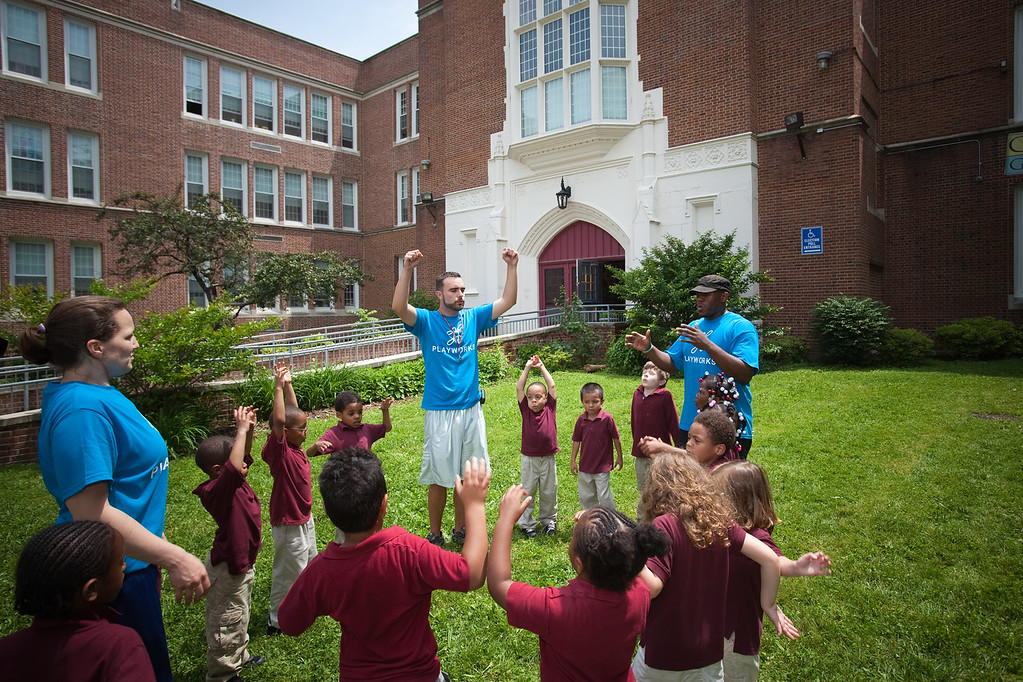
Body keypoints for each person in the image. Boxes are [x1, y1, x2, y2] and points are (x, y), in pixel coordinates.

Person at [20, 296, 208, 681]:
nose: (136, 343)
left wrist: (153, 542)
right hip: (108, 575)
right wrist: (174, 557)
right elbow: (90, 513)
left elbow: (126, 481)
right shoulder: (81, 410)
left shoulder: (101, 394)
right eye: (128, 336)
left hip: (132, 561)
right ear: (95, 347)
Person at [277, 450, 491, 682]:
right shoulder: (408, 551)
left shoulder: (322, 571)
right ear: (384, 504)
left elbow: (289, 622)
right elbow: (472, 574)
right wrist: (475, 505)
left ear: (327, 511)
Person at [391, 247, 519, 547]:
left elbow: (508, 301)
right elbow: (399, 307)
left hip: (471, 409)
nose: (461, 295)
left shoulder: (473, 317)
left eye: (462, 290)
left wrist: (512, 267)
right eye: (453, 290)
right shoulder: (426, 321)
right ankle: (435, 534)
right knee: (439, 477)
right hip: (440, 411)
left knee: (468, 475)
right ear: (439, 294)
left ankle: (460, 529)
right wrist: (407, 269)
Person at [633, 454, 798, 681]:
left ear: (655, 490)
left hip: (664, 653)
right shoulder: (719, 520)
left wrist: (631, 554)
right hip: (709, 655)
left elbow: (653, 587)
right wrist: (768, 604)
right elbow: (770, 559)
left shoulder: (664, 524)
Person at [488, 486, 671, 681]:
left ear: (578, 564)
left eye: (573, 536)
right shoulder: (640, 593)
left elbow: (499, 584)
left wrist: (505, 520)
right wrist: (596, 526)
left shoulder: (555, 609)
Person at [711, 461, 831, 681]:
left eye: (717, 495)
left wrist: (795, 567)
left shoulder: (756, 536)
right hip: (716, 621)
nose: (710, 500)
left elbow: (774, 561)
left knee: (735, 673)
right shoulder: (722, 529)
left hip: (736, 630)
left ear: (739, 502)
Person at [0, 520, 156, 682]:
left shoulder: (6, 648)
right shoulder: (120, 645)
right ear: (91, 589)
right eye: (120, 562)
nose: (124, 566)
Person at [624, 275, 759, 457]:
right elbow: (672, 364)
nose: (699, 299)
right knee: (689, 474)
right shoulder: (694, 327)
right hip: (692, 424)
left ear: (724, 296)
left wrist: (707, 345)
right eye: (697, 295)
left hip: (727, 426)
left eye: (706, 294)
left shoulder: (740, 327)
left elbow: (744, 374)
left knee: (722, 475)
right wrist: (649, 349)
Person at [193, 406, 265, 682]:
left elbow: (239, 458)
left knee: (240, 613)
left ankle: (239, 656)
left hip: (241, 564)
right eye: (237, 459)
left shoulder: (232, 480)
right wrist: (240, 430)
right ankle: (223, 674)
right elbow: (235, 466)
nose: (245, 461)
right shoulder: (216, 491)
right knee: (226, 620)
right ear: (217, 470)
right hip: (227, 570)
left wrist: (249, 431)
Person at [262, 362, 316, 636]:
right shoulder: (280, 451)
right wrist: (278, 387)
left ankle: (304, 606)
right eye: (302, 428)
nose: (306, 431)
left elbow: (293, 413)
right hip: (288, 522)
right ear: (284, 432)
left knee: (307, 562)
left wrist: (290, 384)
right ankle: (276, 621)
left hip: (304, 517)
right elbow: (281, 421)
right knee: (288, 572)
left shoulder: (295, 446)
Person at [515, 355, 559, 538]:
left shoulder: (550, 408)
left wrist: (541, 367)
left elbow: (552, 386)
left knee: (549, 490)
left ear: (546, 399)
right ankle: (526, 523)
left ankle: (549, 521)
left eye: (538, 397)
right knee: (528, 490)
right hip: (530, 459)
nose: (533, 400)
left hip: (548, 457)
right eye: (530, 397)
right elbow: (519, 387)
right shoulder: (525, 410)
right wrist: (527, 367)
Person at [630, 361, 681, 519]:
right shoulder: (637, 393)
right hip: (641, 452)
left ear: (661, 381)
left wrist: (678, 447)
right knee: (644, 488)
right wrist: (636, 442)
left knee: (661, 487)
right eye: (644, 372)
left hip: (660, 453)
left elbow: (673, 422)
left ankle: (662, 518)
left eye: (651, 373)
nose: (645, 375)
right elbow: (634, 420)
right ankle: (642, 519)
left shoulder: (665, 395)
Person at [571, 382, 624, 510]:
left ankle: (610, 517)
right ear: (582, 402)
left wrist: (619, 457)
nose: (590, 405)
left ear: (602, 401)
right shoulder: (581, 420)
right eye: (587, 402)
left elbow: (616, 438)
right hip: (585, 466)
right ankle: (590, 517)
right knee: (586, 496)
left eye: (595, 402)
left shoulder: (607, 419)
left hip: (602, 466)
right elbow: (576, 441)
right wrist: (573, 461)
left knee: (604, 495)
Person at [307, 391, 393, 457]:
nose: (357, 416)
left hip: (366, 472)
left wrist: (385, 410)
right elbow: (309, 453)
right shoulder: (333, 434)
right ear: (339, 415)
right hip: (344, 474)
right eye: (351, 414)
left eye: (360, 412)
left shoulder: (366, 429)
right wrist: (316, 446)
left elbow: (387, 428)